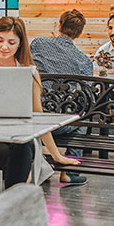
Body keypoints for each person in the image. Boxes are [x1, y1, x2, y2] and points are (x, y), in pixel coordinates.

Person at [0, 16, 86, 187]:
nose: (4, 47)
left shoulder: (29, 72)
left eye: (11, 42)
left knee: (22, 147)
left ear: (20, 44)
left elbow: (38, 116)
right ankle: (20, 193)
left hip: (20, 138)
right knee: (17, 153)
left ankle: (16, 194)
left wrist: (56, 154)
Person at [30, 9, 91, 164]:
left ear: (59, 26)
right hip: (60, 122)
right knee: (82, 119)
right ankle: (69, 171)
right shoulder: (83, 60)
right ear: (80, 33)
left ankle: (41, 161)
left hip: (34, 116)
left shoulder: (38, 43)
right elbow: (88, 93)